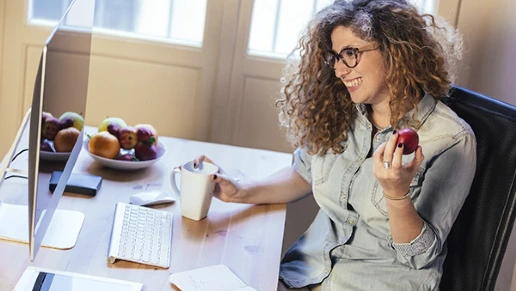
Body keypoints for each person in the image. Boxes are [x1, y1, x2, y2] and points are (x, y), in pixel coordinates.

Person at [193, 0, 476, 290]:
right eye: (336, 57)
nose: (340, 70)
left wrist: (396, 195)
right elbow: (305, 172)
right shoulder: (342, 112)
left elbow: (420, 257)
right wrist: (240, 191)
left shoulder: (450, 139)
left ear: (395, 50)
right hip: (303, 277)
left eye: (351, 54)